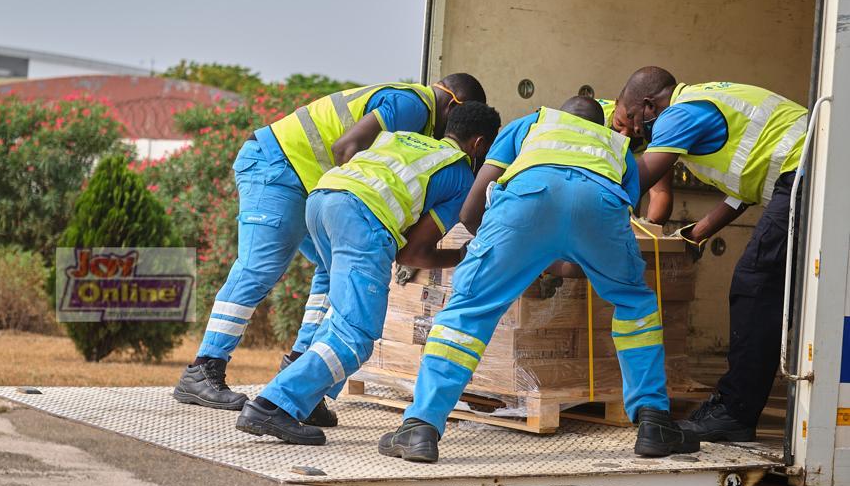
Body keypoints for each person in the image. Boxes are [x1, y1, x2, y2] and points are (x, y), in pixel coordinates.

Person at [379, 96, 699, 461]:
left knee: (469, 310)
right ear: (602, 123)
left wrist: (513, 258)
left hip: (527, 203)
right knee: (634, 302)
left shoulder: (530, 124)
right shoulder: (619, 148)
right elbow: (609, 233)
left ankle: (421, 427)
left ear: (559, 114)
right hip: (601, 206)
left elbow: (471, 211)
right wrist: (555, 259)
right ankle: (654, 422)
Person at [173, 76, 487, 427]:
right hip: (278, 166)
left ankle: (299, 376)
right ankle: (204, 369)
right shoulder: (414, 104)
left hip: (318, 191)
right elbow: (345, 148)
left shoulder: (415, 121)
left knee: (328, 272)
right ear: (454, 104)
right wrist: (359, 208)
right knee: (258, 269)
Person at [234, 101, 501, 445]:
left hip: (321, 200)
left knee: (339, 316)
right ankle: (274, 405)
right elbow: (413, 252)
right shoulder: (459, 173)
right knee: (356, 334)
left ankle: (308, 399)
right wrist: (460, 256)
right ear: (479, 144)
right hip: (360, 218)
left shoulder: (403, 138)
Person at [613, 67, 808, 442]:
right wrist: (697, 233)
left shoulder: (679, 115)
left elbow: (638, 179)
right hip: (806, 170)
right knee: (764, 283)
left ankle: (735, 412)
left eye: (634, 121)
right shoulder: (702, 104)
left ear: (650, 105)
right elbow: (743, 188)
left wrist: (588, 191)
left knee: (754, 283)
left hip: (805, 170)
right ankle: (734, 405)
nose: (635, 132)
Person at [601, 98, 674, 224]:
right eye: (619, 124)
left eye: (635, 132)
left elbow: (661, 192)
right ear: (616, 103)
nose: (624, 136)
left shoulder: (658, 134)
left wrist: (649, 225)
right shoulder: (596, 116)